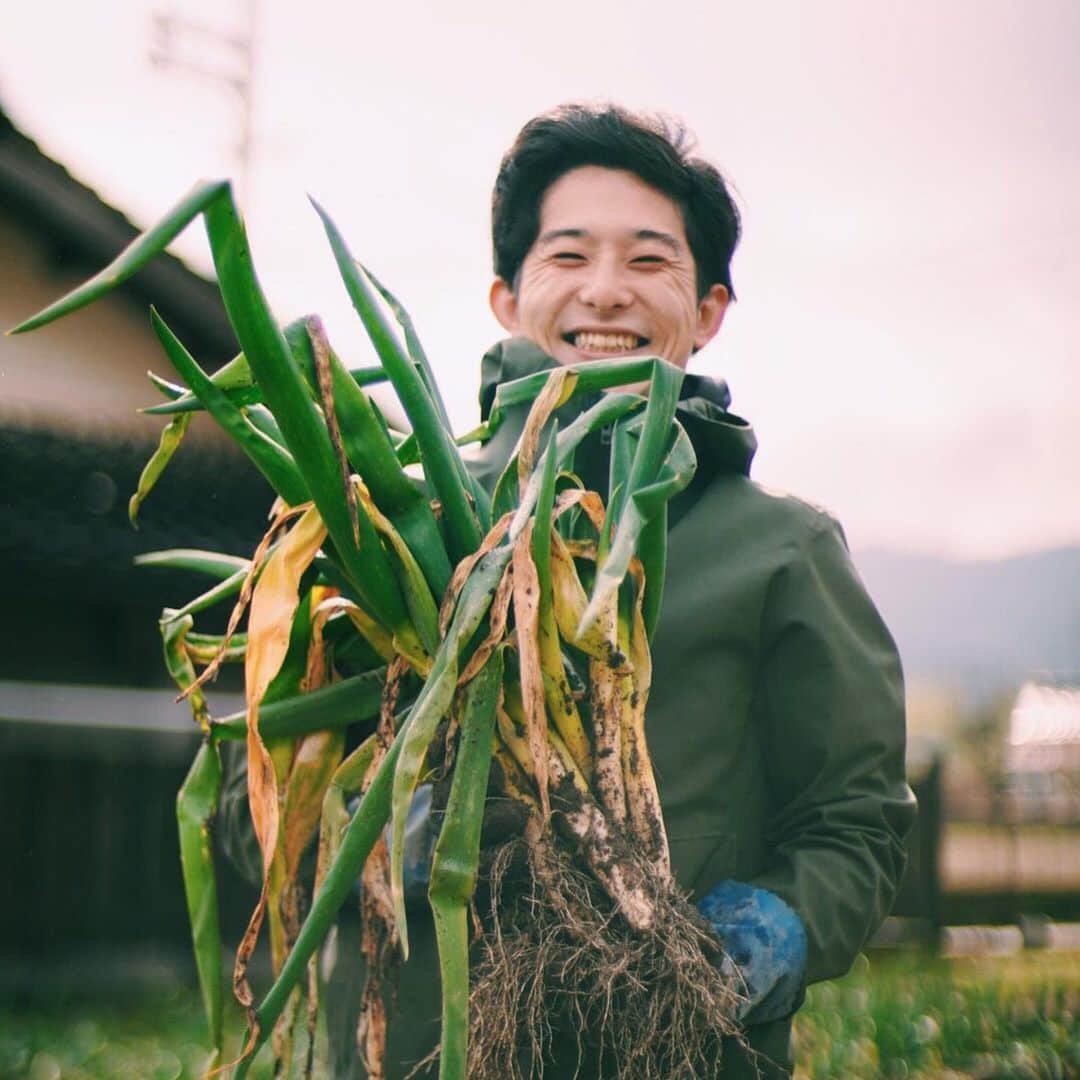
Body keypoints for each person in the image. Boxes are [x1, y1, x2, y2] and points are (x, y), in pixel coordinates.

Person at [221, 102, 916, 1078]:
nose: (605, 293)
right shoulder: (386, 539)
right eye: (568, 256)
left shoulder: (782, 550)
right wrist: (389, 824)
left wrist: (772, 933)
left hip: (679, 1048)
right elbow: (262, 814)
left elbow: (858, 826)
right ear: (507, 296)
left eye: (648, 261)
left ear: (709, 310)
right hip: (423, 1047)